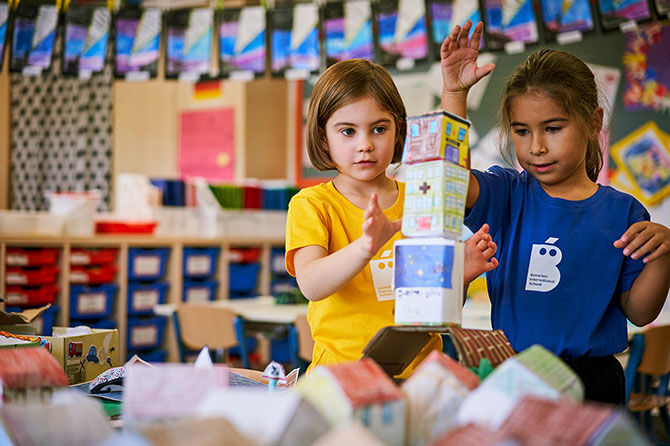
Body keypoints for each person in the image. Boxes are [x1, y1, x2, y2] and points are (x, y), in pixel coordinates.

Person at [440, 21, 670, 404]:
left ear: (594, 123)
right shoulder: (507, 192)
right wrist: (453, 93)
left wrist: (664, 257)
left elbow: (640, 312)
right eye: (522, 131)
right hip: (513, 376)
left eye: (553, 128)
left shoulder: (624, 212)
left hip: (593, 384)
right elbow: (450, 179)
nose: (536, 147)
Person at [285, 58, 499, 374]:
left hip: (420, 374)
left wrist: (457, 278)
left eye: (379, 129)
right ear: (322, 137)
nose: (365, 145)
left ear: (399, 129)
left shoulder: (420, 199)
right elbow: (312, 285)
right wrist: (365, 248)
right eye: (347, 131)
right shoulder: (312, 204)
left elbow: (430, 309)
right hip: (345, 374)